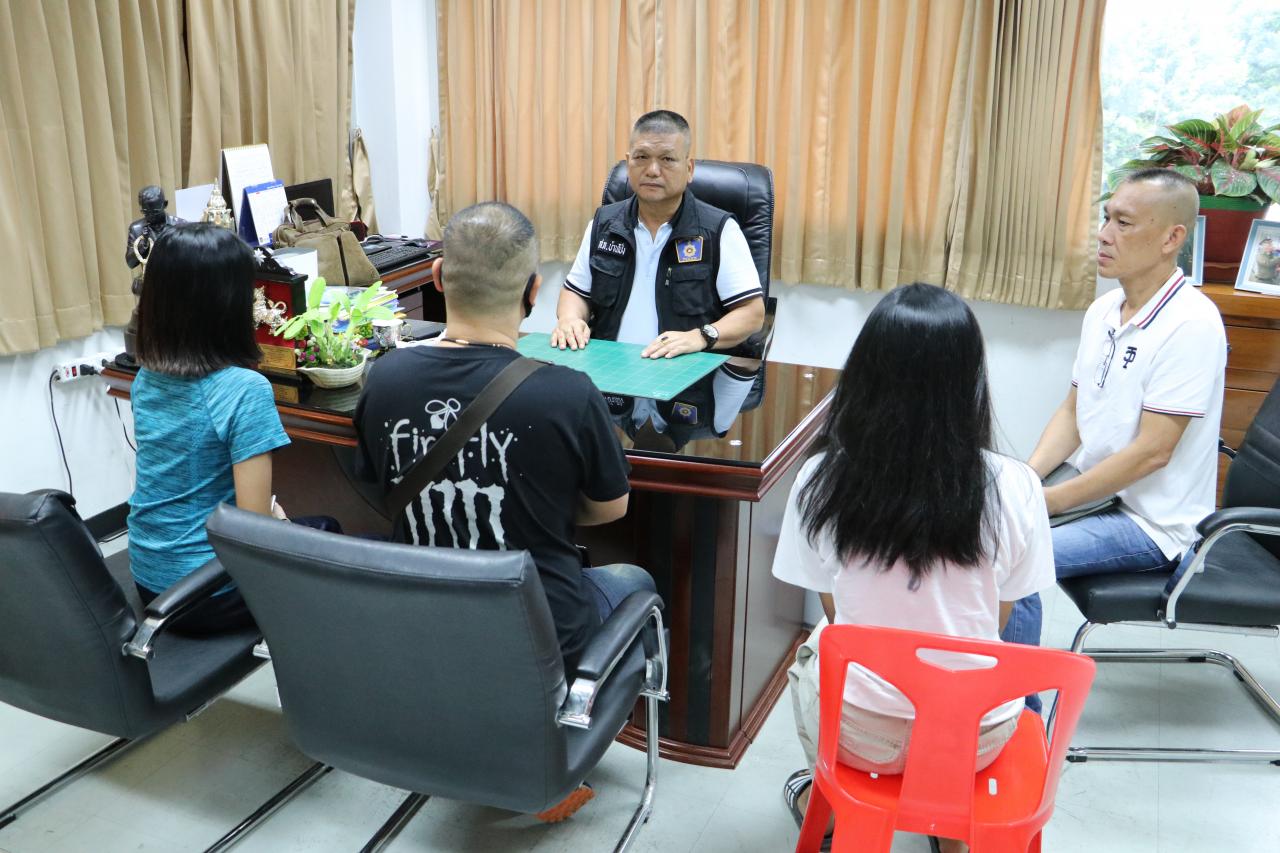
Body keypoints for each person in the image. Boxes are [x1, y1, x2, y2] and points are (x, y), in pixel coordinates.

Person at [353, 202, 654, 822]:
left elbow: (376, 484)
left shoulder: (383, 378)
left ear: (437, 277)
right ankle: (555, 749)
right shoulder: (569, 392)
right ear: (534, 292)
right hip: (536, 637)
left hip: (423, 626)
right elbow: (612, 508)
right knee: (632, 582)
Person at [772, 284, 1055, 853]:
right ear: (970, 380)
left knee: (816, 647)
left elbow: (838, 615)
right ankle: (950, 825)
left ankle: (830, 809)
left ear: (865, 372)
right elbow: (999, 618)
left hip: (859, 734)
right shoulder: (1017, 486)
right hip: (975, 738)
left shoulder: (819, 480)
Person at [1000, 169, 1227, 688]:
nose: (1103, 235)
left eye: (1123, 223)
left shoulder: (1192, 325)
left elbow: (1152, 453)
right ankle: (980, 683)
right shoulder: (1105, 309)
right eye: (1106, 218)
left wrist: (1044, 503)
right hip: (1095, 495)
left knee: (1011, 558)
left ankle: (1016, 709)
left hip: (1150, 522)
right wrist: (1026, 481)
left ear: (1171, 238)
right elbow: (1072, 413)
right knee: (990, 525)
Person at [128, 223, 291, 634]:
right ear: (228, 303)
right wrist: (280, 520)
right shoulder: (244, 389)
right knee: (331, 534)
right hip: (210, 595)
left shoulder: (147, 376)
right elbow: (252, 534)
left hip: (149, 581)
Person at [551, 109, 765, 359]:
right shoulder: (604, 223)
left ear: (689, 169)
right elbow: (575, 292)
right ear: (628, 163)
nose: (652, 170)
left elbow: (752, 313)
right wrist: (569, 318)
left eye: (667, 159)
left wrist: (700, 337)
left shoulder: (719, 231)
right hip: (608, 366)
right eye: (641, 157)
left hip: (683, 370)